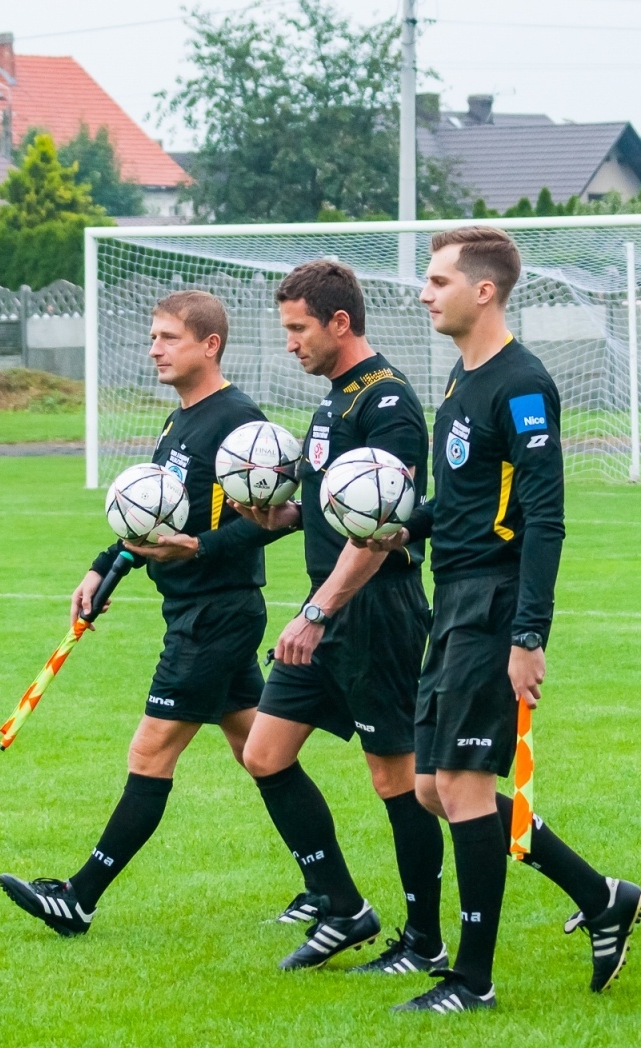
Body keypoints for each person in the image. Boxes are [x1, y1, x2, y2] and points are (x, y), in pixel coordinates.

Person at [367, 227, 641, 1014]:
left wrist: (528, 637)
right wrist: (400, 528)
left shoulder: (523, 384)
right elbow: (458, 501)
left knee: (461, 787)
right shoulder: (461, 376)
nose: (425, 293)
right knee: (432, 787)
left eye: (438, 281)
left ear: (483, 290)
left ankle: (473, 980)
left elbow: (544, 519)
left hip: (492, 603)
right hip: (452, 599)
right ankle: (602, 897)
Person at [0, 290, 292, 935]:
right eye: (153, 337)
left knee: (151, 749)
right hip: (193, 609)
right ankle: (334, 893)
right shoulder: (178, 420)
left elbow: (271, 519)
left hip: (216, 614)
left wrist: (201, 549)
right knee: (259, 753)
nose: (154, 349)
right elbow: (154, 516)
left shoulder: (238, 420)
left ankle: (78, 897)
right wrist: (105, 564)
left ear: (210, 345)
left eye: (168, 338)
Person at [230, 259, 447, 975]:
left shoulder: (387, 403)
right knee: (264, 754)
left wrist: (318, 610)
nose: (290, 343)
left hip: (373, 611)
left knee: (397, 780)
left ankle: (425, 941)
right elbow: (339, 508)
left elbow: (381, 531)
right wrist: (285, 515)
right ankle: (344, 907)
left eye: (299, 329)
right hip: (325, 609)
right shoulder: (334, 401)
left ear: (340, 322)